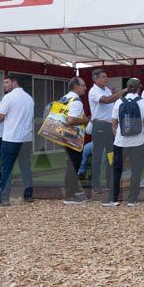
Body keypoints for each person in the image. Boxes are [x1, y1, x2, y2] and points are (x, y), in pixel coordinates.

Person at [104, 78, 144, 207]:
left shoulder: (119, 102)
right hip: (138, 142)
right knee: (136, 170)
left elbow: (114, 123)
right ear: (139, 88)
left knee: (116, 170)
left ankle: (113, 199)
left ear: (127, 87)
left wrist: (117, 137)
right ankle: (132, 200)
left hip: (121, 142)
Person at [0, 75, 35, 206]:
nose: (4, 85)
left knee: (7, 168)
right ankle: (28, 196)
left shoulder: (8, 97)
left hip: (11, 138)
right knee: (26, 167)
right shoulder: (29, 98)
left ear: (14, 83)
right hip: (26, 138)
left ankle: (3, 198)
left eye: (6, 82)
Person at [88, 69, 127, 195]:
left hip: (109, 126)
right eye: (103, 77)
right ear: (96, 79)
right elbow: (106, 100)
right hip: (99, 125)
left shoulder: (107, 90)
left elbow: (111, 100)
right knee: (97, 156)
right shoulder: (93, 91)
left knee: (111, 155)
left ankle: (111, 182)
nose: (106, 79)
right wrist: (123, 91)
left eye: (106, 76)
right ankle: (95, 185)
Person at [60, 76, 89, 205]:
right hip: (72, 137)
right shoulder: (76, 101)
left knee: (70, 163)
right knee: (73, 165)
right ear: (76, 87)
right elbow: (71, 120)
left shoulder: (65, 98)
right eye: (83, 85)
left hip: (63, 134)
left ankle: (73, 190)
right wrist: (85, 120)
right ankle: (69, 195)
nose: (85, 88)